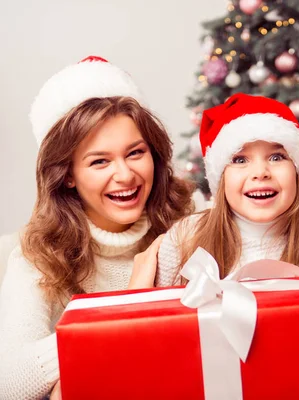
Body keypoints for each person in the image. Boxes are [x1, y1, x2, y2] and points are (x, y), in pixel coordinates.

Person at [0, 56, 195, 399]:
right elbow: (10, 382)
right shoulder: (37, 255)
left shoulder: (188, 219)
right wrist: (119, 314)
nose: (125, 175)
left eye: (135, 153)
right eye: (100, 161)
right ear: (69, 174)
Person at [126, 93, 299, 290]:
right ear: (221, 178)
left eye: (276, 157)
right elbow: (154, 320)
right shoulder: (185, 238)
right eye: (240, 159)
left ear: (297, 171)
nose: (260, 173)